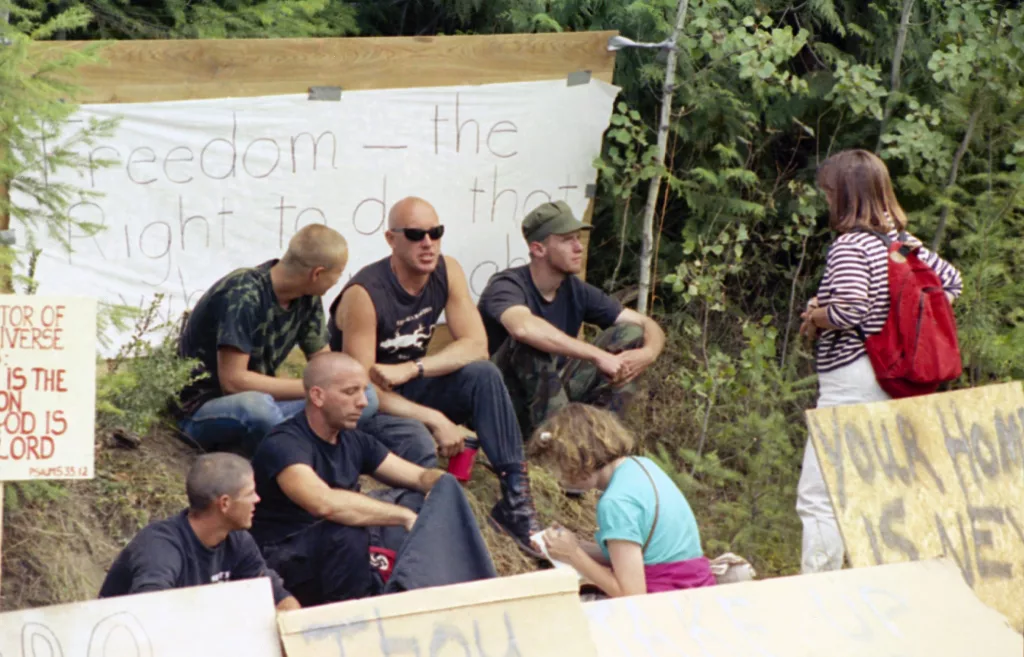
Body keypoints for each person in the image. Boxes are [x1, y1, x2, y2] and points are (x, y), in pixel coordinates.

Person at [328, 196, 540, 556]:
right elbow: (361, 391)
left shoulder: (447, 270)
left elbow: (476, 345)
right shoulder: (365, 295)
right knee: (418, 439)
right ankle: (422, 528)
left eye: (435, 233)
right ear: (391, 239)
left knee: (484, 374)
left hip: (409, 383)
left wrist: (415, 368)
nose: (428, 243)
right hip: (369, 406)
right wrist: (436, 419)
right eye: (415, 234)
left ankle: (516, 500)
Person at [797, 149, 963, 574]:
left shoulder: (850, 245)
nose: (826, 200)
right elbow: (951, 285)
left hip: (851, 381)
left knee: (822, 494)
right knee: (881, 490)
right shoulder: (901, 247)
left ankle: (817, 588)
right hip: (890, 380)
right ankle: (894, 580)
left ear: (844, 195)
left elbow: (850, 309)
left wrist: (817, 314)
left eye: (829, 192)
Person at [249, 352, 471, 605]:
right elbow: (323, 503)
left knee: (417, 499)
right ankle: (354, 615)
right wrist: (403, 516)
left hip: (337, 556)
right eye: (350, 392)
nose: (363, 402)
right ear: (318, 396)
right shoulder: (284, 443)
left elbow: (419, 476)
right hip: (283, 562)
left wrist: (440, 484)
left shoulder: (353, 439)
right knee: (348, 530)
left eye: (364, 391)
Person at [478, 200, 666, 440]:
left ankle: (599, 440)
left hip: (551, 398)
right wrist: (597, 355)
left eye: (578, 238)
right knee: (530, 343)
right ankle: (561, 447)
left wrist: (647, 353)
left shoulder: (574, 289)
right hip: (502, 405)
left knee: (631, 334)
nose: (579, 247)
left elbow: (647, 324)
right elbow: (523, 328)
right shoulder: (507, 285)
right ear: (538, 249)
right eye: (568, 240)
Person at [174, 224, 356, 457]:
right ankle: (294, 447)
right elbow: (233, 382)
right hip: (207, 407)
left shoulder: (307, 296)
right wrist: (318, 389)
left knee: (364, 396)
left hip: (269, 402)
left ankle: (288, 441)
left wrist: (344, 386)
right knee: (259, 410)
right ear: (317, 273)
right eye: (338, 274)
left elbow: (325, 362)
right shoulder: (243, 292)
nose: (337, 281)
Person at [528, 403, 715, 597]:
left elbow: (632, 594)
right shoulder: (642, 466)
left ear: (580, 457)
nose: (558, 478)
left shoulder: (615, 503)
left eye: (560, 466)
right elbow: (637, 553)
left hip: (669, 599)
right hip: (698, 588)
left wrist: (574, 555)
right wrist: (572, 547)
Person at [98, 453, 299, 611]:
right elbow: (150, 614)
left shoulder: (238, 541)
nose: (257, 500)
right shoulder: (161, 547)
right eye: (250, 493)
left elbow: (278, 597)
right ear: (225, 503)